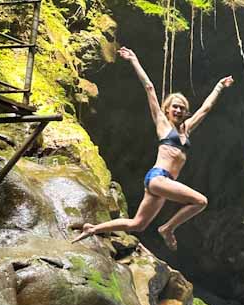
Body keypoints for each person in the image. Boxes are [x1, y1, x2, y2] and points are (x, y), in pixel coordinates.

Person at [72, 46, 233, 250]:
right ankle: (167, 229)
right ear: (167, 109)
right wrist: (133, 59)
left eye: (182, 108)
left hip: (164, 183)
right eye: (175, 106)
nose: (178, 109)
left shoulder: (186, 129)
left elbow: (205, 109)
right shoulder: (162, 124)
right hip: (158, 178)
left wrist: (219, 86)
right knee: (200, 201)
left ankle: (93, 228)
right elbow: (149, 88)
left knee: (137, 224)